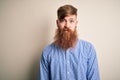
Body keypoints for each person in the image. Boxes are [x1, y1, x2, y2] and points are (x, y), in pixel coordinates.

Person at [39, 4, 100, 80]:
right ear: (57, 23)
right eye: (63, 21)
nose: (67, 25)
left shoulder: (88, 49)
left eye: (71, 21)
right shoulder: (47, 52)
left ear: (76, 24)